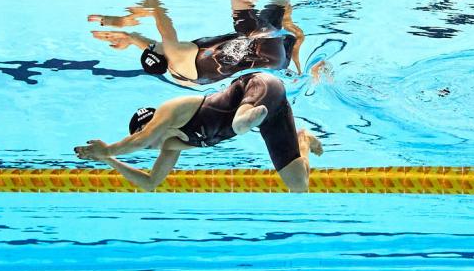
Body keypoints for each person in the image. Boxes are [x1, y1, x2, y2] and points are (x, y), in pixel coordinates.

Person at [73, 72, 323, 192]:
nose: (151, 145)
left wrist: (108, 148)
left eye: (147, 137)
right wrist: (109, 159)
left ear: (150, 125)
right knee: (298, 186)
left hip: (258, 86)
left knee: (239, 125)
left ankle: (250, 117)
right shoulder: (172, 144)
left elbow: (142, 139)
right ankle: (303, 139)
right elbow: (150, 183)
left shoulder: (171, 111)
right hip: (274, 113)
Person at [89, 0, 305, 86]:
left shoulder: (177, 72)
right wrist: (125, 21)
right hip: (260, 41)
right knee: (241, 0)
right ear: (164, 53)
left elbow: (156, 49)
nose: (156, 45)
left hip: (276, 61)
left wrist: (132, 38)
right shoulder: (173, 51)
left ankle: (291, 37)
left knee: (278, 7)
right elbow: (155, 5)